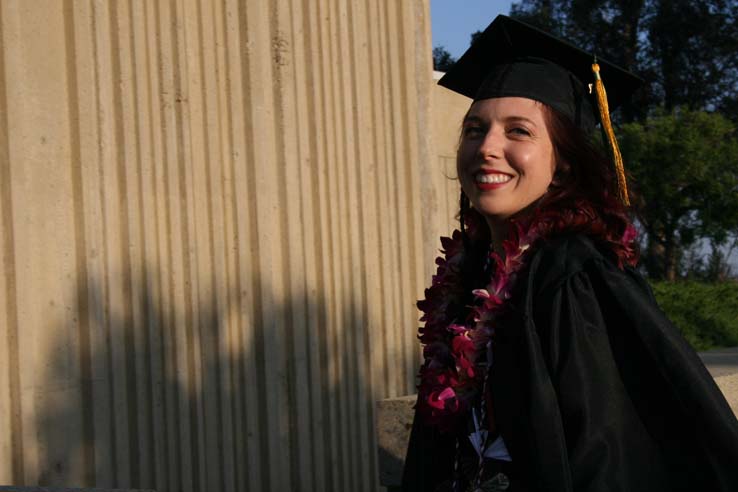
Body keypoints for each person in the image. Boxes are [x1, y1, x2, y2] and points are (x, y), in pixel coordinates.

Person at [402, 15, 738, 492]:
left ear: (561, 165)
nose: (487, 148)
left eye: (518, 131)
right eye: (475, 130)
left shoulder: (574, 275)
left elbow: (609, 455)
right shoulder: (472, 275)